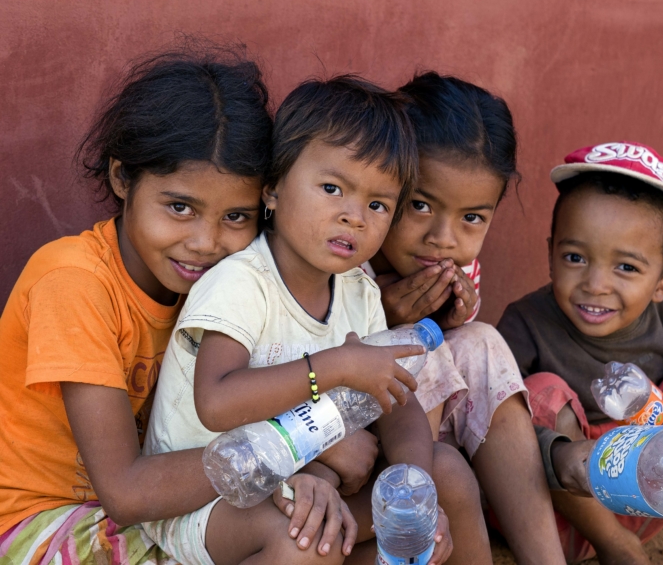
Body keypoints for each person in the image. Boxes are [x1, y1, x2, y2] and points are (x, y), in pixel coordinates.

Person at [0, 44, 353, 565]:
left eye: (236, 217)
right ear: (122, 178)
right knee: (295, 539)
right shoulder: (74, 282)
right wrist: (294, 449)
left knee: (339, 530)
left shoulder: (236, 285)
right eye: (180, 207)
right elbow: (125, 492)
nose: (205, 243)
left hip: (171, 501)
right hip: (44, 522)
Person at [143, 74, 493, 565]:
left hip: (302, 479)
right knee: (307, 539)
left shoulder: (358, 291)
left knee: (446, 474)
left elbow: (397, 403)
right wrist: (334, 367)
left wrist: (413, 489)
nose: (355, 216)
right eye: (332, 188)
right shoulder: (241, 282)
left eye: (377, 204)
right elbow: (216, 404)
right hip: (210, 501)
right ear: (272, 188)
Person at [497, 141, 663, 564]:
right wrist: (558, 452)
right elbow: (485, 427)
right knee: (539, 394)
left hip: (654, 496)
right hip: (557, 516)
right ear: (550, 255)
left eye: (626, 267)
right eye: (575, 257)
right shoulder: (525, 323)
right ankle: (617, 546)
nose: (596, 284)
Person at [361, 72, 565, 565]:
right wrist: (383, 312)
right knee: (418, 343)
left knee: (481, 340)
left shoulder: (449, 262)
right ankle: (414, 514)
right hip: (350, 438)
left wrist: (455, 314)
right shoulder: (350, 244)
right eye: (420, 205)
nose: (443, 238)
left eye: (471, 218)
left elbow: (459, 327)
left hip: (426, 423)